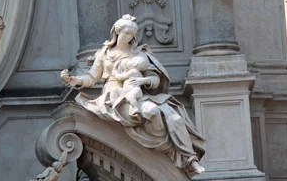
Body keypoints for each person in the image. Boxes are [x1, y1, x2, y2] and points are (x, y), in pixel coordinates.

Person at [60, 14, 206, 175]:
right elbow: (91, 77)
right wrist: (75, 80)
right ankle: (168, 152)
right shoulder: (104, 54)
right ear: (117, 32)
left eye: (132, 34)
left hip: (138, 92)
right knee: (151, 112)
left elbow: (155, 79)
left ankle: (187, 158)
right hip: (114, 95)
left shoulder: (139, 54)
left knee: (172, 116)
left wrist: (143, 82)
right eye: (127, 33)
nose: (130, 37)